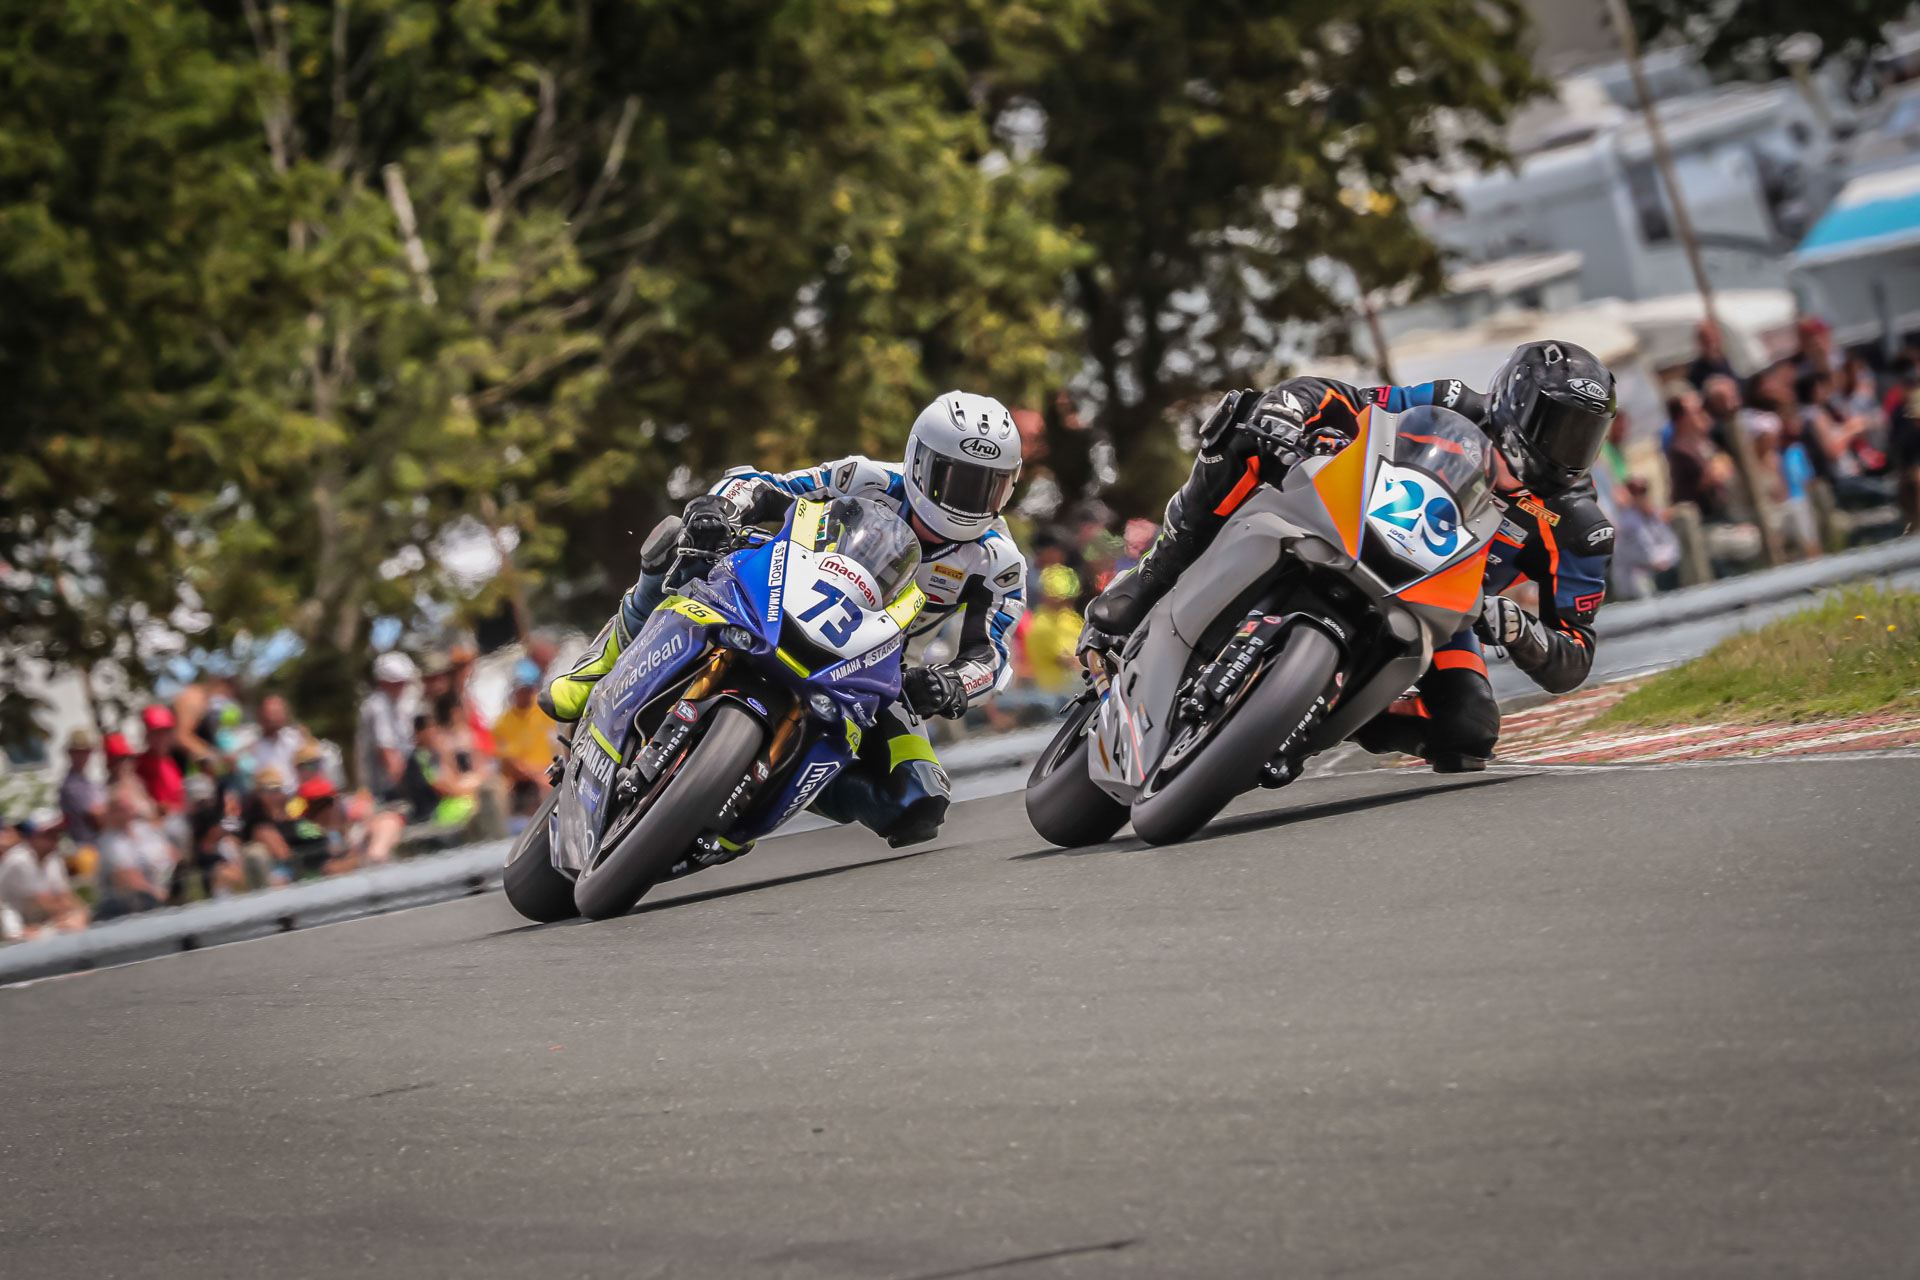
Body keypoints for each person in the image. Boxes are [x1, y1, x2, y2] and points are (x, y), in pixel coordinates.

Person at [1085, 340, 1617, 771]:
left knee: (1468, 728)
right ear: (1514, 400)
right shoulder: (1452, 402)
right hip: (1351, 519)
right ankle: (1151, 578)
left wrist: (1519, 629)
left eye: (1582, 436)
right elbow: (1352, 401)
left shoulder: (1578, 524)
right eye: (1554, 424)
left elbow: (1574, 655)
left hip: (1440, 608)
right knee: (1247, 421)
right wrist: (1294, 408)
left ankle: (1307, 712)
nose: (1563, 447)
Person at [541, 390, 1029, 847]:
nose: (970, 501)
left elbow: (991, 655)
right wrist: (718, 507)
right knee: (681, 543)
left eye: (990, 487)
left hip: (876, 670)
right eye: (958, 481)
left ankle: (752, 796)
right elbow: (765, 485)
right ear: (919, 462)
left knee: (918, 801)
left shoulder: (998, 562)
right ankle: (596, 671)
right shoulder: (867, 478)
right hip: (777, 594)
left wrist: (952, 685)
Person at [0, 812, 89, 938]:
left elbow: (66, 897)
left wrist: (80, 915)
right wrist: (70, 920)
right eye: (49, 834)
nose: (55, 838)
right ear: (32, 836)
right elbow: (45, 902)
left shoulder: (53, 860)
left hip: (38, 921)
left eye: (57, 832)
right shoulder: (19, 860)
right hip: (13, 922)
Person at [492, 660, 557, 816]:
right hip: (524, 783)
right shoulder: (503, 723)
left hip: (550, 772)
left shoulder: (546, 710)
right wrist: (539, 776)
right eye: (521, 689)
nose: (525, 694)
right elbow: (512, 763)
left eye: (529, 689)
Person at [357, 651, 417, 800]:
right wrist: (409, 792)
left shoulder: (395, 703)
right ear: (384, 682)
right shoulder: (378, 706)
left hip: (397, 784)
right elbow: (387, 753)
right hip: (388, 788)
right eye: (397, 683)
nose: (402, 687)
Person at [57, 728, 106, 850]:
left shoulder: (90, 782)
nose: (82, 756)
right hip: (86, 847)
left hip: (98, 843)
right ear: (70, 754)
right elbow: (96, 819)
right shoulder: (70, 786)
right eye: (77, 752)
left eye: (85, 752)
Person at [1685, 319, 1738, 390]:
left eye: (1713, 338)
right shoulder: (1696, 371)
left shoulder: (1729, 362)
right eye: (1706, 340)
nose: (1711, 343)